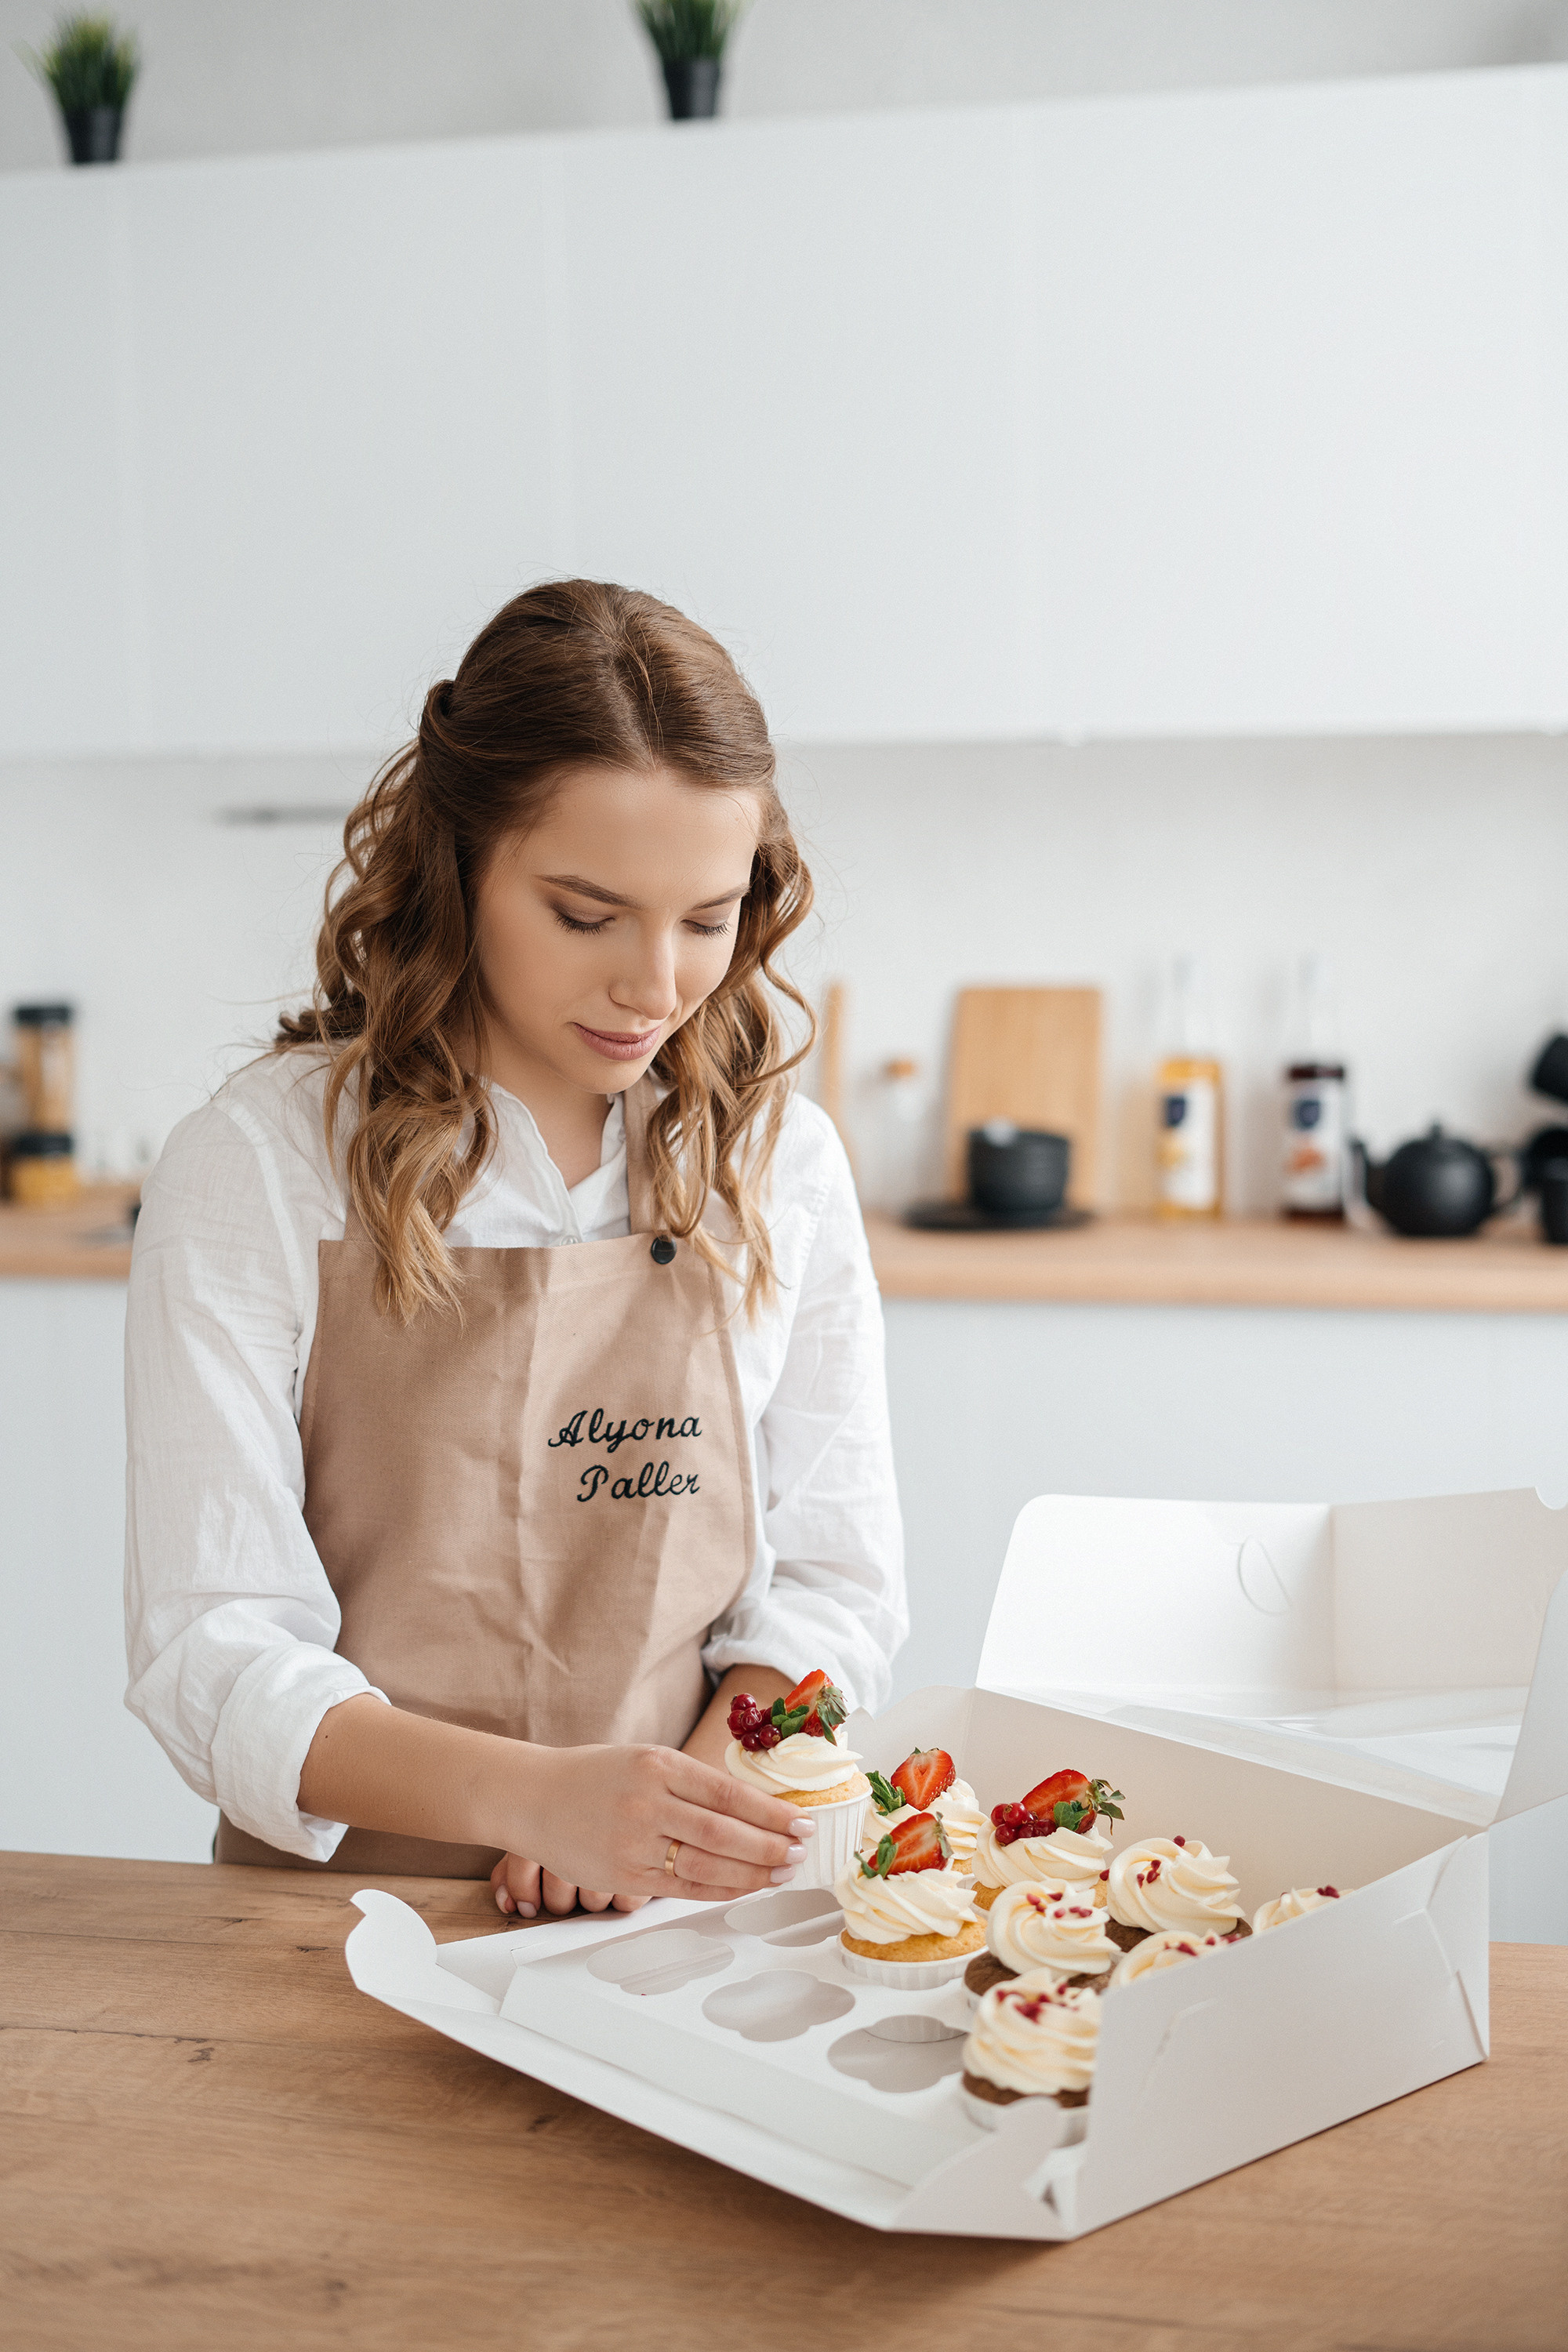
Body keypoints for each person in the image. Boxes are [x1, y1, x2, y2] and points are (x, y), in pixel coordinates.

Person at [124, 579, 906, 1920]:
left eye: (706, 919)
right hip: (333, 1930)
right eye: (586, 915)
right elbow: (212, 1646)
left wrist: (672, 1816)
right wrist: (538, 1804)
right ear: (459, 868)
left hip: (677, 1919)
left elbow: (837, 1591)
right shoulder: (260, 1164)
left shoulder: (779, 1163)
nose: (655, 986)